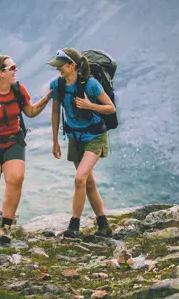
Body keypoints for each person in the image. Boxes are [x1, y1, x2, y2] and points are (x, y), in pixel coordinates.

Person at [0, 54, 51, 243]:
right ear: (1, 73)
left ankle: (6, 228)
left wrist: (48, 97)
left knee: (16, 178)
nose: (16, 70)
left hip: (12, 141)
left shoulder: (18, 90)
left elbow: (30, 112)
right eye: (12, 68)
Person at [47, 47, 116, 238]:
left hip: (95, 137)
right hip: (74, 137)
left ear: (72, 66)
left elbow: (111, 108)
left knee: (79, 179)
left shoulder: (91, 85)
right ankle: (104, 225)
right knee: (88, 182)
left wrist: (90, 105)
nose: (58, 70)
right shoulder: (57, 85)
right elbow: (54, 113)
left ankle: (74, 226)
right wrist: (55, 141)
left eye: (61, 66)